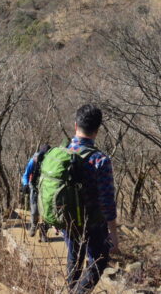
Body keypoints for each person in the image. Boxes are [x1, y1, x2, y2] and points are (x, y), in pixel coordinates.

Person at [64, 104, 118, 293]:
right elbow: (107, 200)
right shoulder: (100, 160)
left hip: (69, 222)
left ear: (75, 125)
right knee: (100, 260)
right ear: (97, 131)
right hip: (93, 223)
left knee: (74, 259)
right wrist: (113, 232)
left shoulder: (62, 154)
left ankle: (71, 290)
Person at [22, 143, 51, 238]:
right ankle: (33, 226)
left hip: (46, 189)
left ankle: (43, 233)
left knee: (47, 212)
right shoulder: (34, 160)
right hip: (34, 187)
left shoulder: (52, 161)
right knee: (34, 210)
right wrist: (25, 184)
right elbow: (26, 174)